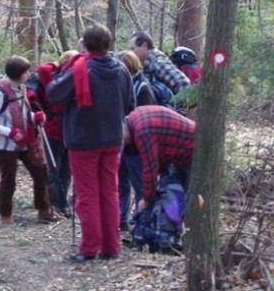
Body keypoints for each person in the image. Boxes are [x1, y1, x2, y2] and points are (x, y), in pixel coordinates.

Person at [47, 25, 135, 262]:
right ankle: (111, 247)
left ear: (85, 44)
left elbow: (54, 94)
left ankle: (89, 248)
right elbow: (130, 103)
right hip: (113, 139)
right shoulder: (122, 69)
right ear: (108, 43)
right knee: (109, 191)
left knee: (87, 194)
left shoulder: (80, 68)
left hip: (84, 140)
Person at [0, 55, 57, 226]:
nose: (29, 74)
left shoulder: (20, 87)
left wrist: (34, 116)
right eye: (26, 71)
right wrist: (11, 132)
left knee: (40, 171)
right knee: (9, 178)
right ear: (18, 74)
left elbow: (21, 112)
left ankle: (43, 210)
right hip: (4, 144)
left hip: (25, 139)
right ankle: (6, 215)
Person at [122, 105, 195, 213]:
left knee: (188, 197)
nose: (124, 143)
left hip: (191, 149)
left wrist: (146, 200)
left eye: (122, 139)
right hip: (180, 150)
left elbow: (150, 168)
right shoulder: (135, 115)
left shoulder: (142, 132)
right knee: (175, 190)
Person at [115, 50, 156, 230]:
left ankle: (143, 223)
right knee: (121, 183)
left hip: (137, 146)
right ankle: (120, 219)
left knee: (140, 186)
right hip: (121, 143)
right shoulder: (123, 84)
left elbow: (145, 118)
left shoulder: (143, 88)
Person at [36, 50, 78, 218]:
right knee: (54, 169)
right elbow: (43, 70)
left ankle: (61, 204)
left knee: (66, 170)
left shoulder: (70, 79)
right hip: (54, 129)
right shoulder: (53, 77)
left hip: (69, 131)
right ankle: (53, 204)